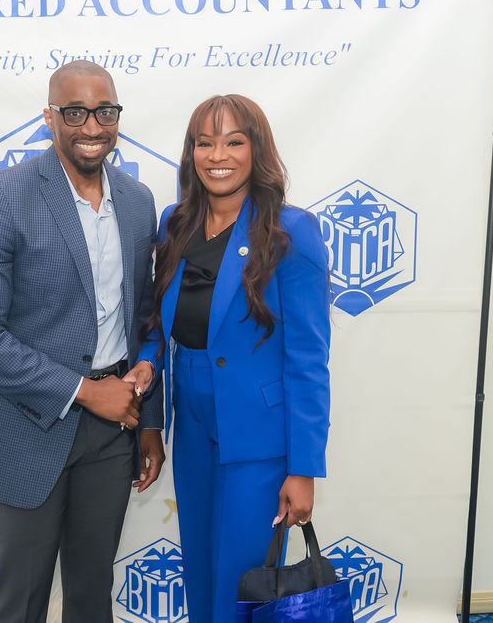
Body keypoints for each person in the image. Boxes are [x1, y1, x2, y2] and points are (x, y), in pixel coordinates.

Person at [0, 60, 165, 623]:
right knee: (20, 603)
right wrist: (86, 393)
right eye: (75, 113)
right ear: (49, 118)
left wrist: (148, 419)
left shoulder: (138, 201)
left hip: (114, 433)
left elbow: (146, 318)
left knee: (92, 598)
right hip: (26, 429)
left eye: (104, 112)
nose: (92, 127)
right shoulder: (2, 195)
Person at [123, 94, 332, 623]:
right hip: (191, 423)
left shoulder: (290, 231)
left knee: (243, 580)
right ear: (191, 152)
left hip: (258, 433)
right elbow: (160, 321)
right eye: (205, 142)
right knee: (200, 566)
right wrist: (149, 365)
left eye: (234, 141)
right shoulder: (176, 222)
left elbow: (308, 359)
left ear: (256, 150)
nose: (218, 155)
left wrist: (304, 469)